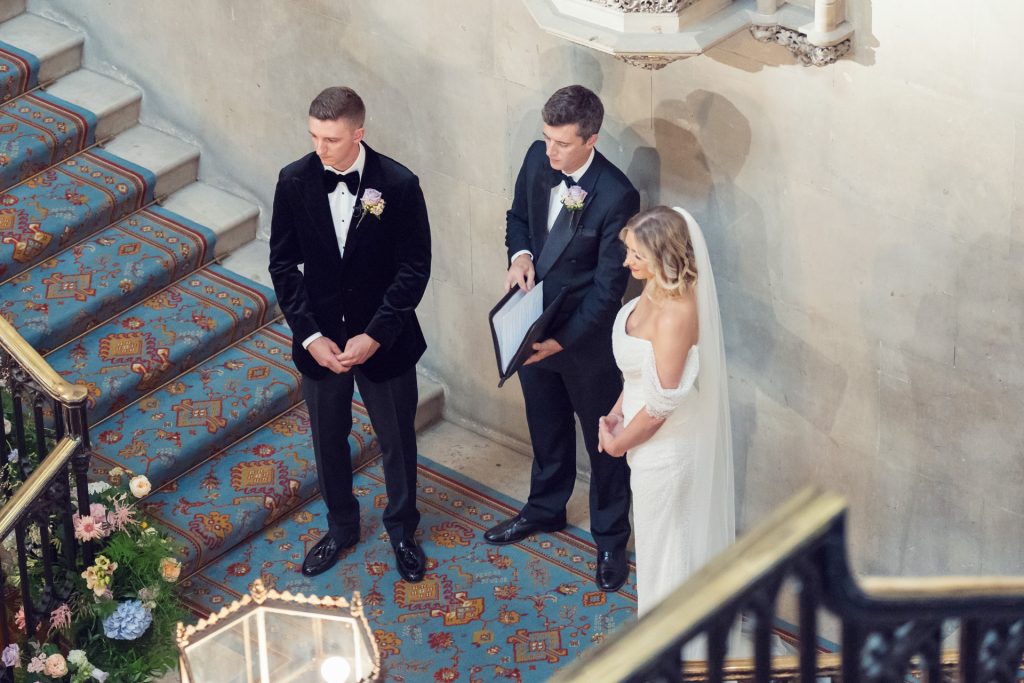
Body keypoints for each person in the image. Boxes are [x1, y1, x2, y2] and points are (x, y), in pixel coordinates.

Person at [268, 86, 431, 582]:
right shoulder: (293, 180)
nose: (321, 149)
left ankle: (403, 528)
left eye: (332, 139)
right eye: (315, 136)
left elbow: (414, 269)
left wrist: (376, 334)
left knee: (397, 440)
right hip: (321, 341)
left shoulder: (399, 184)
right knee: (327, 439)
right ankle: (341, 527)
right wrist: (312, 336)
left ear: (358, 133)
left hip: (384, 342)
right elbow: (282, 264)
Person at [484, 85, 640, 592]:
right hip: (533, 328)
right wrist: (521, 256)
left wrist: (564, 341)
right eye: (546, 139)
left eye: (562, 144)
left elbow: (608, 289)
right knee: (546, 427)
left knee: (604, 446)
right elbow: (518, 220)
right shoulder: (537, 158)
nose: (550, 153)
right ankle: (545, 509)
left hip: (586, 345)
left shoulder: (617, 195)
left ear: (591, 139)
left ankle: (612, 537)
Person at [598, 205, 736, 620]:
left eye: (637, 255)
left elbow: (659, 406)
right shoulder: (655, 288)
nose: (627, 262)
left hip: (668, 448)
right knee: (660, 544)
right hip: (641, 431)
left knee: (666, 548)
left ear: (664, 256)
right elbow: (640, 375)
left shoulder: (677, 314)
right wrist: (615, 412)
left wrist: (618, 443)